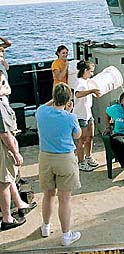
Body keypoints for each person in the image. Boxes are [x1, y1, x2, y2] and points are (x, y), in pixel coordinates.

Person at [35, 82, 82, 246]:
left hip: (46, 158)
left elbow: (45, 105)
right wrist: (68, 110)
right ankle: (66, 235)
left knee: (48, 195)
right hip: (65, 159)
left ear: (53, 97)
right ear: (68, 100)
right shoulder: (70, 117)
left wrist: (57, 99)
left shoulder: (41, 112)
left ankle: (46, 226)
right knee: (65, 199)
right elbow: (77, 135)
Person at [0, 100, 36, 231]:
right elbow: (4, 133)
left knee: (9, 178)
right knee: (4, 182)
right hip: (3, 147)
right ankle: (7, 219)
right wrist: (15, 153)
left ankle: (21, 205)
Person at [73, 60, 101, 172]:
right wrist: (91, 91)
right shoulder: (79, 82)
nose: (92, 74)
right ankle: (81, 161)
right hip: (80, 115)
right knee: (82, 139)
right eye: (91, 71)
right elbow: (78, 94)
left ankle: (88, 157)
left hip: (88, 114)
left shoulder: (88, 81)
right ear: (85, 71)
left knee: (90, 137)